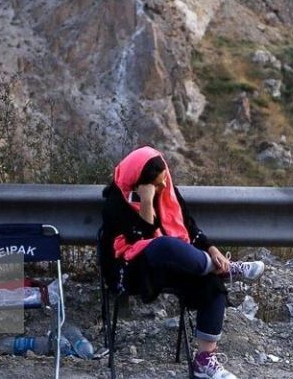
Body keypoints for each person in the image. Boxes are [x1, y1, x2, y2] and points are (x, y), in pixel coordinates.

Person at [100, 146, 264, 379]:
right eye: (157, 184)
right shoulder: (116, 204)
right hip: (133, 270)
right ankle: (225, 269)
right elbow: (142, 241)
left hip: (170, 265)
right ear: (139, 183)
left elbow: (189, 227)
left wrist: (211, 248)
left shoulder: (168, 194)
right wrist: (146, 202)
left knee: (210, 283)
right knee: (163, 245)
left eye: (164, 179)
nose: (164, 187)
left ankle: (204, 361)